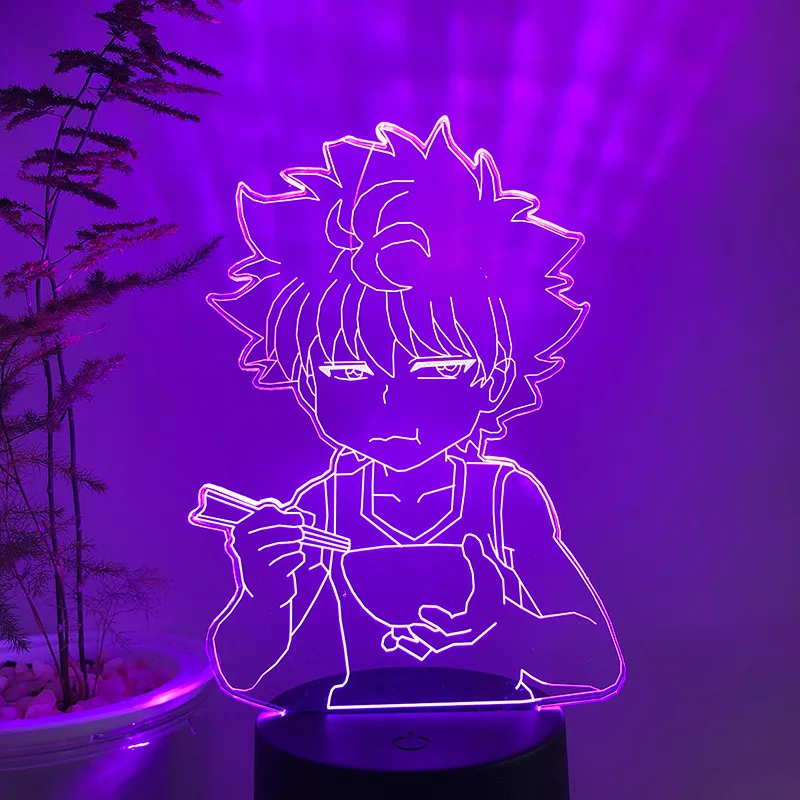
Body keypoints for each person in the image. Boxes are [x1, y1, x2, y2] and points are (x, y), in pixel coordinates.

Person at [190, 117, 625, 712]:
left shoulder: (505, 499)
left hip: (499, 744)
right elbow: (252, 678)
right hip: (352, 746)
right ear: (305, 382)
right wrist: (261, 594)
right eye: (348, 374)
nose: (392, 410)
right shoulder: (323, 506)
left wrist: (510, 634)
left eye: (437, 370)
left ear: (495, 375)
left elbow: (597, 661)